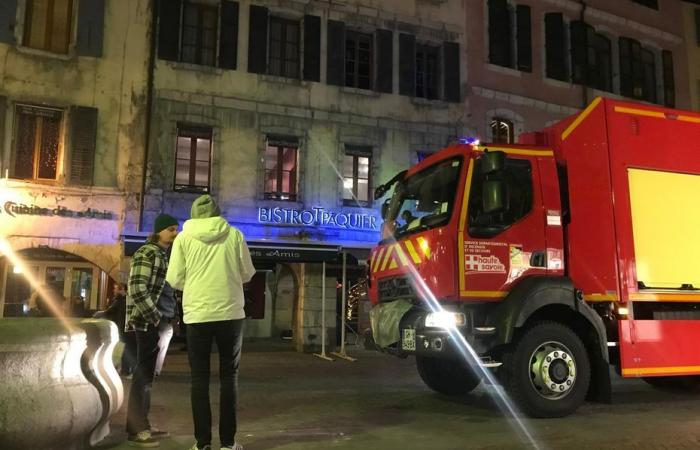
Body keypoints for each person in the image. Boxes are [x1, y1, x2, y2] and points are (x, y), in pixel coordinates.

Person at [166, 195, 255, 450]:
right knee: (229, 377)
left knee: (199, 378)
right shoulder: (235, 235)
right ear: (218, 213)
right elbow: (247, 273)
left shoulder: (183, 238)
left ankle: (202, 443)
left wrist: (194, 287)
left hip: (197, 314)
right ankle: (228, 443)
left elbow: (174, 278)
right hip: (230, 314)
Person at [124, 213, 179, 448]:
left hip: (160, 322)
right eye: (171, 229)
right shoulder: (147, 253)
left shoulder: (166, 255)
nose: (175, 233)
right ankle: (136, 430)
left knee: (149, 376)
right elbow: (136, 288)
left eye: (176, 229)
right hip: (148, 322)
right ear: (159, 231)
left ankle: (143, 425)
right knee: (143, 376)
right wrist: (155, 318)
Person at [94, 282, 136, 376]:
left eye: (116, 289)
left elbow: (110, 311)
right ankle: (125, 370)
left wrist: (99, 314)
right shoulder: (123, 299)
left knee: (125, 349)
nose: (114, 290)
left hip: (123, 328)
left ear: (122, 290)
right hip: (125, 328)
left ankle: (126, 370)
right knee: (126, 348)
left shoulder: (121, 300)